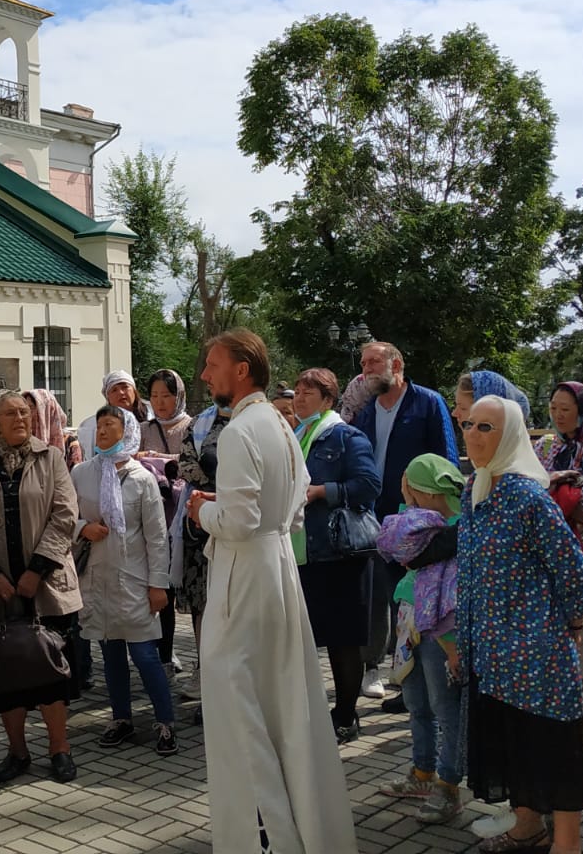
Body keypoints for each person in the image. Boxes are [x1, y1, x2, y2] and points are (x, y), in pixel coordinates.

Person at [188, 330, 357, 854]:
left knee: (241, 716)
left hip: (244, 576)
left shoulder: (240, 431)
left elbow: (237, 522)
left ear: (242, 369)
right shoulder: (281, 425)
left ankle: (271, 839)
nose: (204, 374)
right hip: (277, 568)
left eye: (212, 364)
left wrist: (201, 511)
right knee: (285, 704)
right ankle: (303, 832)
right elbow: (295, 506)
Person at [457, 395, 583, 854]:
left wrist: (573, 620)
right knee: (513, 743)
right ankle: (526, 826)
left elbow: (571, 569)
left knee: (550, 744)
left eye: (486, 428)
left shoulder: (526, 496)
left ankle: (567, 844)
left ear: (510, 435)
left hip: (535, 649)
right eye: (470, 425)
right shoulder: (475, 488)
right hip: (492, 652)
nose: (473, 435)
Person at [0, 390, 82, 785]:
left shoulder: (51, 457)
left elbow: (65, 516)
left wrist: (36, 571)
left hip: (46, 586)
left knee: (52, 670)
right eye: (10, 413)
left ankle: (59, 749)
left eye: (24, 412)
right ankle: (17, 752)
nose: (20, 419)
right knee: (8, 672)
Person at [353, 341, 459, 701]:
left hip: (417, 522)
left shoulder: (427, 403)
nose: (366, 368)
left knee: (413, 601)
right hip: (375, 519)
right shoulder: (366, 409)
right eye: (364, 362)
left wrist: (441, 518)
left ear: (396, 364)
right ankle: (382, 670)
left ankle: (418, 681)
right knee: (380, 597)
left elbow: (446, 463)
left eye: (374, 361)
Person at [70, 404, 176, 754]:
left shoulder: (142, 477)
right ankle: (121, 718)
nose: (101, 431)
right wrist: (84, 527)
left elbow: (158, 537)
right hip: (97, 578)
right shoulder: (82, 473)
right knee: (110, 652)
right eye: (99, 425)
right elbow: (64, 516)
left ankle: (165, 722)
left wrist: (158, 584)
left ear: (126, 429)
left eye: (110, 425)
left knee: (145, 654)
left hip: (134, 579)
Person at [376, 454, 467, 825]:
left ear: (423, 490)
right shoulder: (423, 523)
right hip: (411, 622)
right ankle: (422, 773)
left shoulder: (460, 527)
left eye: (410, 487)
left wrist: (452, 643)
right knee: (417, 703)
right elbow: (394, 539)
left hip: (442, 631)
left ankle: (448, 786)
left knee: (446, 710)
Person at [291, 366, 381, 744]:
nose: (298, 398)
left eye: (308, 393)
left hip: (340, 554)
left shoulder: (345, 436)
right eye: (296, 392)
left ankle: (346, 714)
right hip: (304, 554)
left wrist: (321, 491)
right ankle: (310, 712)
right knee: (306, 638)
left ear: (328, 399)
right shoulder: (295, 434)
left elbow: (368, 485)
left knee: (344, 640)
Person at [530, 381, 583, 740]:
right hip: (548, 554)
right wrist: (561, 488)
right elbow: (528, 488)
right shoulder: (545, 445)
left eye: (566, 408)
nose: (558, 414)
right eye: (553, 406)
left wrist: (552, 490)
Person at [175, 398, 230, 713]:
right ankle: (206, 672)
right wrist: (215, 482)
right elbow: (185, 464)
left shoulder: (251, 421)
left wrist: (227, 487)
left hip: (234, 523)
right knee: (203, 603)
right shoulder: (200, 423)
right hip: (199, 522)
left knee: (231, 604)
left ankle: (228, 683)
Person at [139, 369, 192, 672]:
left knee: (177, 588)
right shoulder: (145, 428)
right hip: (153, 515)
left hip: (183, 518)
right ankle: (160, 653)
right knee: (157, 585)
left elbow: (191, 465)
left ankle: (177, 655)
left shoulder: (192, 426)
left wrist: (158, 458)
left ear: (179, 396)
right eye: (155, 396)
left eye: (166, 396)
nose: (160, 402)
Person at [77, 369, 151, 455]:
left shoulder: (152, 415)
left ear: (134, 391)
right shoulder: (91, 426)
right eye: (114, 390)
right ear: (108, 397)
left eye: (125, 387)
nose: (121, 392)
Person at [24, 386, 81, 466]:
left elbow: (75, 475)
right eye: (25, 409)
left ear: (46, 411)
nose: (27, 414)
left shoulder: (70, 443)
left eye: (31, 408)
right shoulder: (24, 441)